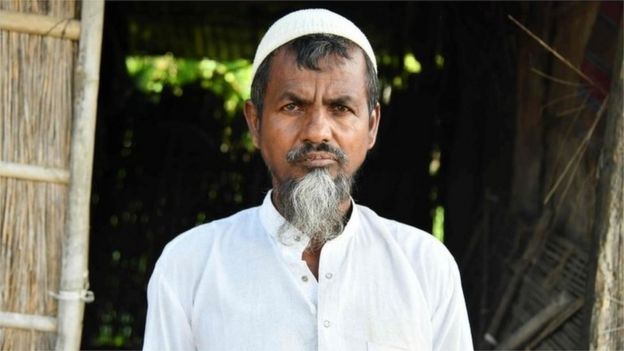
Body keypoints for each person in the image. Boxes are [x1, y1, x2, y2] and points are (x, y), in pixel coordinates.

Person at [143, 8, 473, 351]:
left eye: (341, 108)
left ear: (372, 125)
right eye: (293, 106)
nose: (317, 131)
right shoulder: (189, 266)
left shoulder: (425, 268)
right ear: (255, 122)